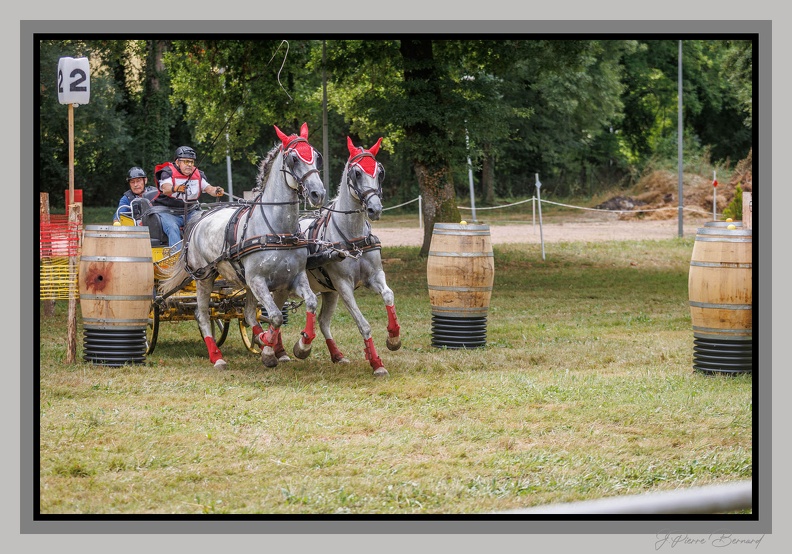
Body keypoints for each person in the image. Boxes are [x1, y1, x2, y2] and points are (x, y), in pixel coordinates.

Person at [152, 145, 224, 252]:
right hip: (168, 212)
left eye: (191, 162)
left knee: (204, 223)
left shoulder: (197, 174)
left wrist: (216, 191)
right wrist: (176, 188)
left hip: (190, 211)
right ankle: (177, 258)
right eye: (186, 161)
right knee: (172, 228)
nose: (189, 165)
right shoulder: (167, 172)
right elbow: (165, 188)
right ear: (177, 162)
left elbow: (209, 189)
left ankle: (203, 253)